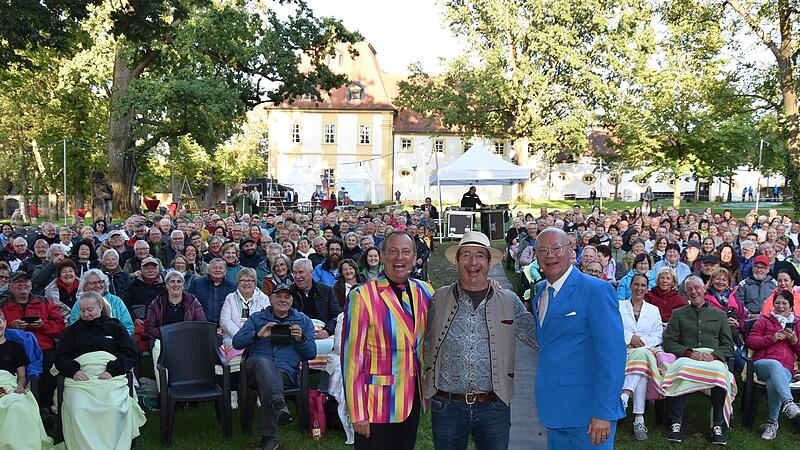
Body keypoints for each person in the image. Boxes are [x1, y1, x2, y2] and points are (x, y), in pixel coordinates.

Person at [424, 231, 536, 449]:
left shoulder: (509, 300)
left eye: (479, 255)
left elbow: (536, 338)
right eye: (466, 254)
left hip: (493, 407)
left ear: (488, 262)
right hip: (447, 406)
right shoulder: (439, 297)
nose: (473, 262)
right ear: (457, 261)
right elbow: (420, 339)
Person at [531, 227, 625, 448]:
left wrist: (604, 412)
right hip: (553, 411)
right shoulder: (540, 291)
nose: (550, 255)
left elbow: (613, 357)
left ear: (572, 250)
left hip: (589, 415)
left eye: (556, 248)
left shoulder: (596, 290)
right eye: (542, 250)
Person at [342, 231, 434, 450]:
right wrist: (358, 412)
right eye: (393, 251)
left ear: (414, 258)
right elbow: (352, 358)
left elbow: (453, 304)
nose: (399, 258)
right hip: (375, 405)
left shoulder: (425, 291)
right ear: (382, 256)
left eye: (405, 252)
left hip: (411, 399)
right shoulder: (362, 296)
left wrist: (489, 287)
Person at [55, 291, 145, 450]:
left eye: (90, 309)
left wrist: (113, 370)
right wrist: (73, 371)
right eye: (82, 310)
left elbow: (130, 353)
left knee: (114, 406)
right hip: (81, 378)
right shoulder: (72, 331)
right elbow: (61, 357)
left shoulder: (115, 327)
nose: (86, 314)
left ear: (99, 307)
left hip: (110, 376)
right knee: (78, 407)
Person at [232, 283, 316, 450]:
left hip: (285, 372)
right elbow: (237, 342)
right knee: (264, 363)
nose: (282, 300)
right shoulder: (257, 318)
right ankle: (279, 404)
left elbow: (311, 353)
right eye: (278, 296)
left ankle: (270, 438)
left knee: (269, 382)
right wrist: (257, 335)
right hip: (256, 368)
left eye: (287, 297)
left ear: (292, 300)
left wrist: (301, 340)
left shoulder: (303, 321)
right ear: (271, 299)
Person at [662, 276, 735, 445]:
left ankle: (717, 425)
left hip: (712, 358)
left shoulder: (720, 315)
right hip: (688, 357)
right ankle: (676, 423)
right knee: (679, 371)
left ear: (704, 289)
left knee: (720, 373)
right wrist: (689, 353)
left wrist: (714, 356)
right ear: (686, 292)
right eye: (689, 289)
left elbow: (728, 346)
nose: (694, 292)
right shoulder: (678, 314)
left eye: (697, 288)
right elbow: (669, 342)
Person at [0, 270, 65, 410]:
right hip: (11, 349)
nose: (22, 284)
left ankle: (44, 407)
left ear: (31, 284)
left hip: (43, 348)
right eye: (17, 281)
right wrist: (12, 326)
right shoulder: (3, 305)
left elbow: (60, 327)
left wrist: (43, 325)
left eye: (25, 281)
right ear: (10, 285)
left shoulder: (45, 302)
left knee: (48, 371)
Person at [746, 289, 800, 440]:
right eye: (777, 303)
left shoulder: (797, 324)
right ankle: (789, 403)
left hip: (786, 369)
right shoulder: (764, 320)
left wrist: (795, 341)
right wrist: (772, 338)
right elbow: (751, 342)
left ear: (791, 306)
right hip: (763, 364)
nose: (780, 306)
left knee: (773, 380)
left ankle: (772, 423)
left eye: (784, 303)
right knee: (775, 366)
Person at [619, 273, 664, 441]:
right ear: (630, 286)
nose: (639, 288)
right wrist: (629, 338)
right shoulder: (619, 306)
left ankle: (624, 396)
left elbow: (658, 335)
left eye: (643, 285)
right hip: (622, 351)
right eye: (636, 284)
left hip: (643, 350)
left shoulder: (653, 310)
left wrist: (640, 343)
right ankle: (639, 419)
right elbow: (612, 326)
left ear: (647, 288)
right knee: (642, 370)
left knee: (642, 356)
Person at [0, 310, 53, 449]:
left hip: (9, 384)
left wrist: (20, 386)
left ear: (5, 323)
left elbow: (22, 376)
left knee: (17, 405)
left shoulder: (15, 347)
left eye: (0, 321)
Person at [143, 271, 206, 341]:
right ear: (166, 285)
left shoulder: (193, 302)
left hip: (188, 340)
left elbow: (201, 325)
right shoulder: (156, 303)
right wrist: (167, 335)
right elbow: (149, 328)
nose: (176, 284)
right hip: (164, 340)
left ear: (183, 285)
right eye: (172, 281)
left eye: (179, 281)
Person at [290, 258, 340, 339]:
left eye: (301, 272)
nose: (297, 276)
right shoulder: (289, 293)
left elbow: (336, 315)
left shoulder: (326, 290)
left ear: (311, 273)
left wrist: (327, 330)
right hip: (299, 336)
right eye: (295, 273)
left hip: (324, 335)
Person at [220, 268, 270, 347]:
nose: (246, 283)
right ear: (238, 282)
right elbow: (225, 321)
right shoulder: (230, 298)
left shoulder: (264, 298)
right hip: (233, 338)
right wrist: (241, 337)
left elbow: (266, 319)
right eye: (242, 280)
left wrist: (252, 336)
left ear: (255, 283)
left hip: (257, 339)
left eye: (250, 280)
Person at [187, 258, 236, 325]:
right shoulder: (197, 283)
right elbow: (189, 304)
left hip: (224, 326)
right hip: (200, 325)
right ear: (209, 271)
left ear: (225, 272)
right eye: (214, 268)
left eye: (221, 268)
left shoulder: (232, 287)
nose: (218, 270)